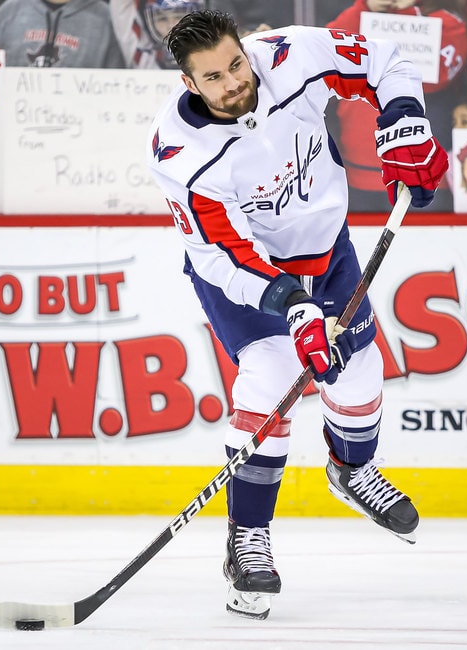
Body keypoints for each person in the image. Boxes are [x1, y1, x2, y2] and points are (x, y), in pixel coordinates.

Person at [146, 9, 446, 620]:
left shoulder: (288, 55)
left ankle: (351, 470)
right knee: (271, 377)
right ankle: (246, 538)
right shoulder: (179, 154)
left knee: (359, 375)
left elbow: (385, 61)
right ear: (189, 85)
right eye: (214, 77)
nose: (234, 81)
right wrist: (293, 307)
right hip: (246, 279)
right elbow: (225, 255)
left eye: (235, 63)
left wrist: (406, 123)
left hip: (325, 247)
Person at [326, 0, 467, 212]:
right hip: (357, 167)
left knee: (424, 244)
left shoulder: (445, 20)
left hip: (418, 167)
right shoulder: (357, 16)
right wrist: (365, 9)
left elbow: (436, 78)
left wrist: (406, 13)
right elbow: (326, 54)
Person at [0, 0, 124, 68]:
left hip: (80, 125)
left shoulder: (106, 19)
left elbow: (117, 89)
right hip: (11, 123)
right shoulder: (9, 11)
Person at [110, 0, 202, 69]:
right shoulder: (143, 58)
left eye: (178, 17)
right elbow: (121, 6)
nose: (171, 26)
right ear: (148, 21)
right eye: (162, 18)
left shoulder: (208, 51)